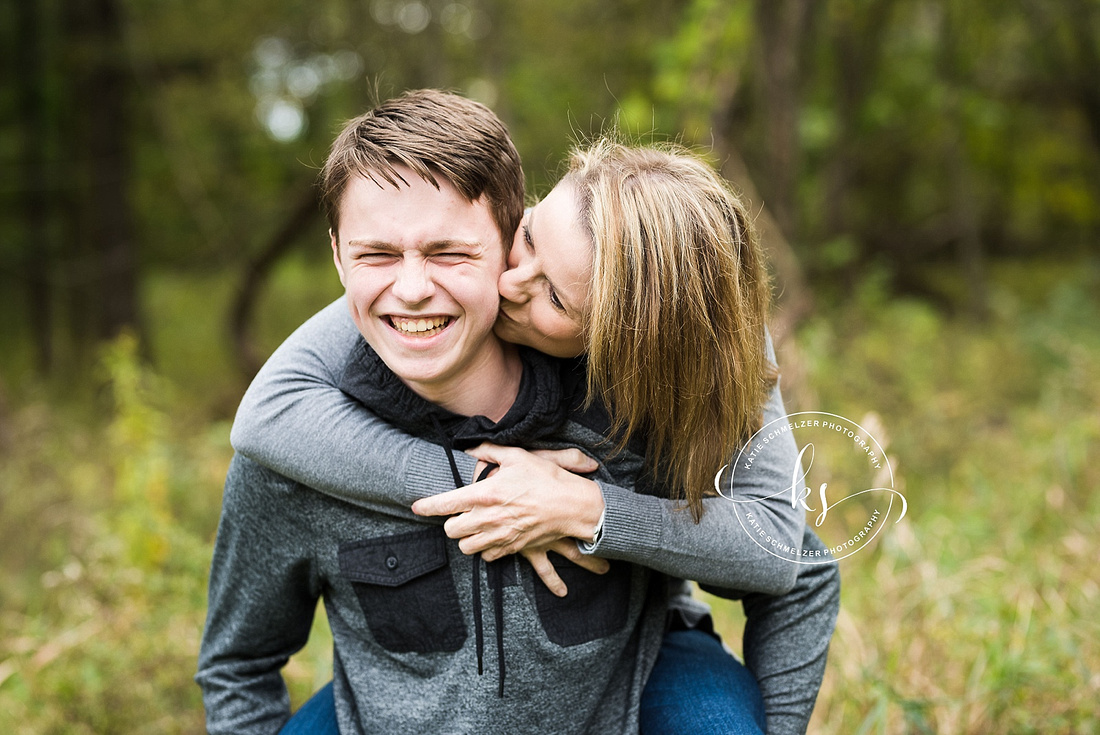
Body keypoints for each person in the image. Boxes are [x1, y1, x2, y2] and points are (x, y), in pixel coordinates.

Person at [206, 90, 838, 734]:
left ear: (616, 345)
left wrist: (588, 510)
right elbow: (268, 415)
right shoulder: (328, 403)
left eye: (556, 298)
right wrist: (483, 487)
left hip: (633, 668)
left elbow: (785, 557)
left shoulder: (638, 395)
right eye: (527, 238)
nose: (510, 282)